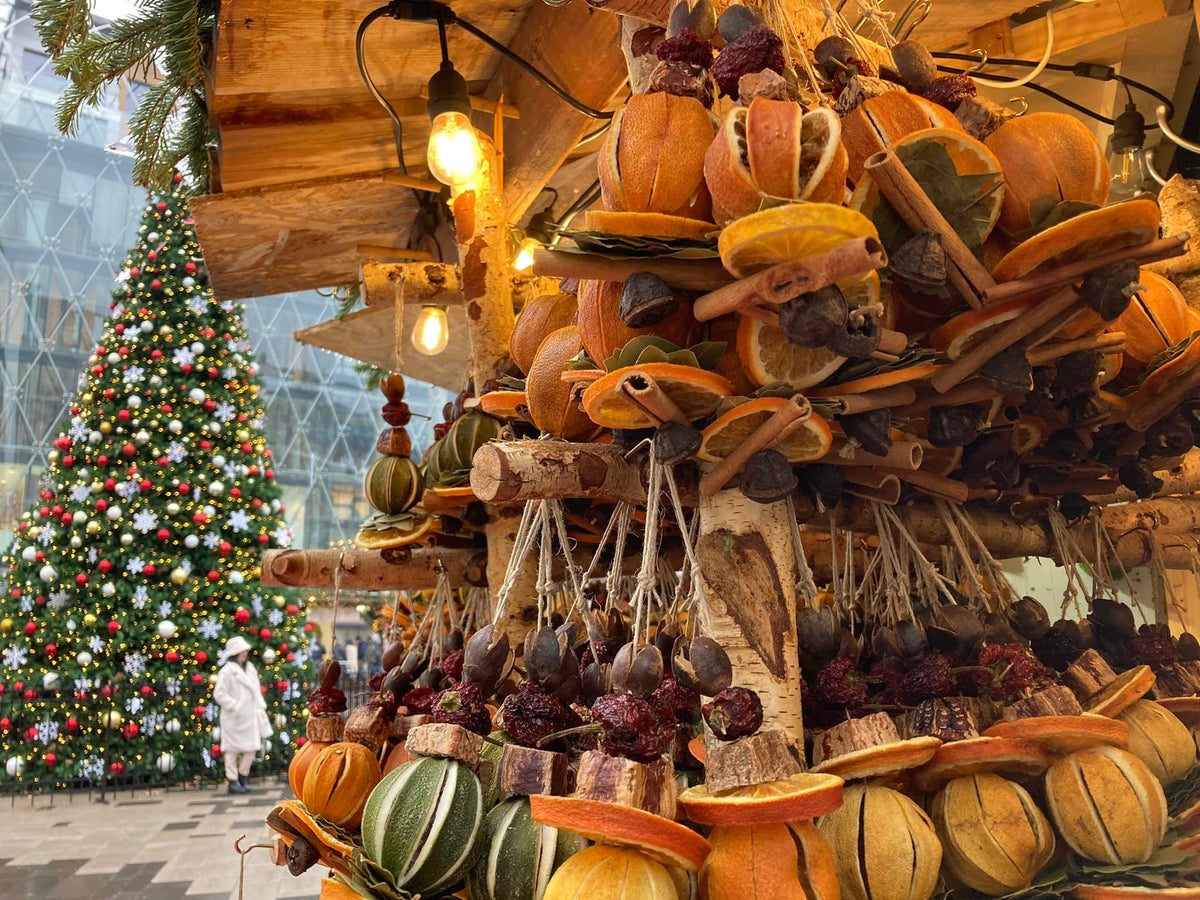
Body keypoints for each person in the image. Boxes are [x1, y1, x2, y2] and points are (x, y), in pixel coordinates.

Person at [213, 635, 272, 794]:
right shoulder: (227, 671)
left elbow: (256, 690)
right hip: (233, 717)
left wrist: (260, 706)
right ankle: (232, 780)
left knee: (251, 748)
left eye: (245, 651)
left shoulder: (251, 668)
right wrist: (234, 706)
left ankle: (242, 776)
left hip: (250, 715)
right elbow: (219, 694)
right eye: (241, 651)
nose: (244, 654)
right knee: (231, 750)